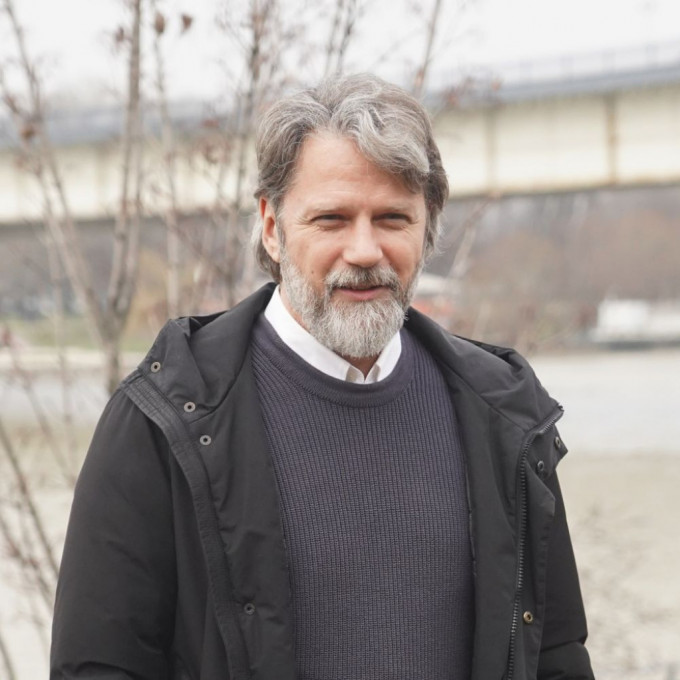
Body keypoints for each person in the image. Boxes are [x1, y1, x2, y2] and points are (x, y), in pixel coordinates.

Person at [51, 74, 595, 680]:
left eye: (392, 218)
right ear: (272, 226)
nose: (364, 250)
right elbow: (99, 665)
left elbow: (555, 653)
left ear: (427, 229)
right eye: (332, 219)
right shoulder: (163, 418)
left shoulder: (503, 415)